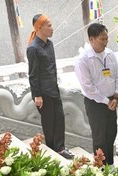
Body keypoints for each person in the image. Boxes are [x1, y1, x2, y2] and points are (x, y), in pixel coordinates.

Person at [75, 23, 118, 164]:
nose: (105, 42)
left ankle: (110, 164)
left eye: (106, 38)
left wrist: (116, 97)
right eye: (102, 39)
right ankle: (101, 168)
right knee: (99, 137)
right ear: (91, 39)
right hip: (95, 103)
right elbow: (87, 87)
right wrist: (106, 101)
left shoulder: (110, 54)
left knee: (111, 133)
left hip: (112, 101)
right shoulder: (83, 60)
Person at [27, 14, 72, 159]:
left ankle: (60, 148)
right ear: (40, 28)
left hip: (53, 89)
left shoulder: (50, 44)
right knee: (49, 122)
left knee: (59, 119)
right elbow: (33, 74)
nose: (52, 28)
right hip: (43, 92)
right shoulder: (33, 48)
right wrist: (37, 95)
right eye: (49, 26)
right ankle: (54, 150)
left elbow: (52, 67)